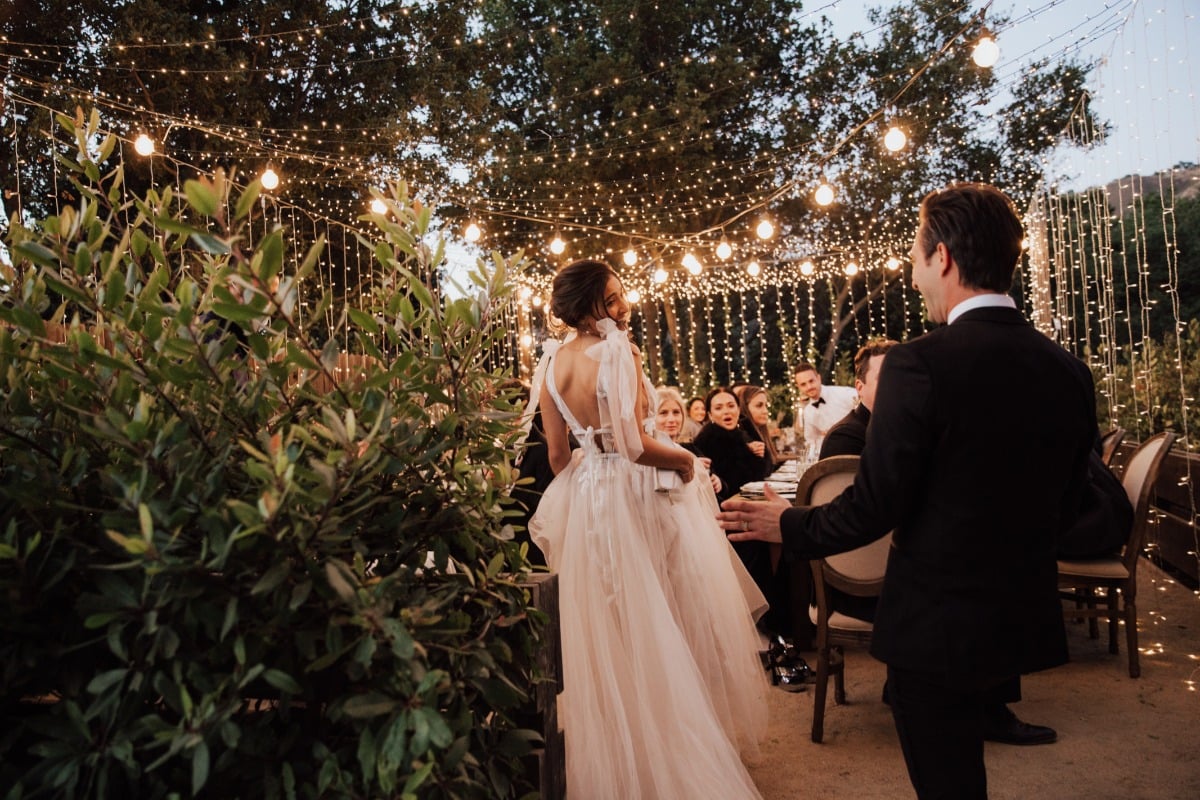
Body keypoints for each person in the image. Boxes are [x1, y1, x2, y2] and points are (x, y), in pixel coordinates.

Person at [719, 183, 1097, 799]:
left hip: (936, 623)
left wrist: (788, 526)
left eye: (917, 258)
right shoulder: (1067, 369)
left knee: (948, 782)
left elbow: (874, 505)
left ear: (942, 257)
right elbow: (1075, 502)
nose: (917, 274)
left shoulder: (919, 364)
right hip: (1018, 613)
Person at [528, 259, 768, 799]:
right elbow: (636, 446)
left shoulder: (548, 362)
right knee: (664, 619)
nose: (624, 304)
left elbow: (558, 454)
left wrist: (587, 495)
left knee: (609, 632)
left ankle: (622, 763)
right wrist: (686, 463)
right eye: (612, 298)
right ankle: (672, 758)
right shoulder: (617, 350)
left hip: (586, 500)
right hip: (633, 492)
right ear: (589, 305)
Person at [823, 338, 1057, 745]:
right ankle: (989, 711)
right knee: (979, 578)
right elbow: (875, 515)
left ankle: (915, 681)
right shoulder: (849, 438)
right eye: (886, 378)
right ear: (858, 387)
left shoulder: (908, 429)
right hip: (862, 586)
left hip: (899, 575)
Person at [655, 386, 722, 495]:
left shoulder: (691, 448)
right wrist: (688, 466)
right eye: (663, 413)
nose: (671, 419)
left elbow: (716, 482)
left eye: (676, 412)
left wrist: (717, 482)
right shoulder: (649, 456)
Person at [793, 362, 857, 452]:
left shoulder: (843, 394)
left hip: (856, 447)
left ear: (818, 378)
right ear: (798, 387)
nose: (809, 387)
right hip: (831, 455)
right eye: (803, 384)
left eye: (811, 381)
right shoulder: (808, 412)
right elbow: (811, 442)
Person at [738, 385, 783, 471]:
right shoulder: (741, 436)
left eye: (766, 406)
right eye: (759, 406)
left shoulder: (760, 432)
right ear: (744, 407)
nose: (765, 411)